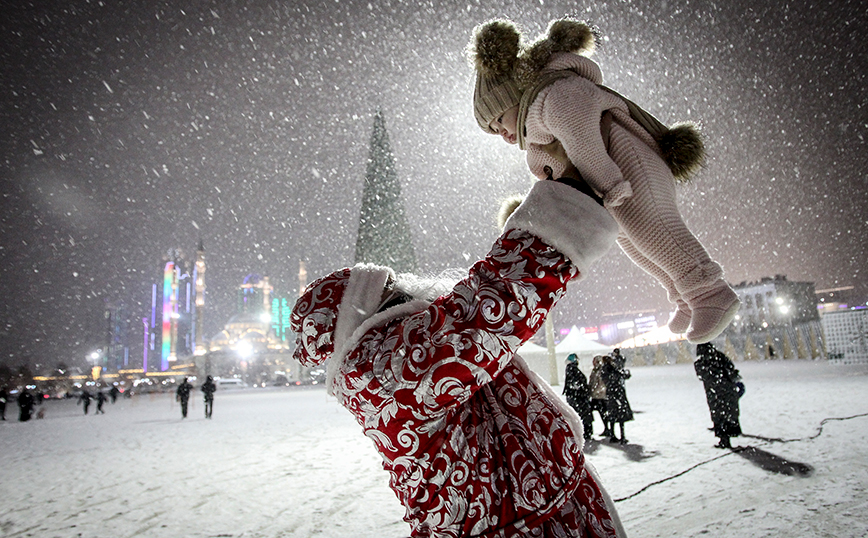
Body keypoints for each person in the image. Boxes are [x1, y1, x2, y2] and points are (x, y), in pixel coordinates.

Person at [290, 177, 626, 536]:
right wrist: (566, 208)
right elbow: (488, 311)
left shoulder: (377, 368)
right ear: (365, 316)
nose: (405, 289)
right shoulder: (385, 369)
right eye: (389, 289)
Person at [468, 17, 740, 344]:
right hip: (613, 185)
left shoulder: (555, 95)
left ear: (513, 97)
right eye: (493, 131)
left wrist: (609, 184)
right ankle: (682, 294)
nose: (502, 134)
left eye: (498, 120)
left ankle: (709, 292)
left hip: (628, 167)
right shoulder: (537, 125)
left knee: (656, 230)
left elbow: (583, 140)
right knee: (639, 246)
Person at [694, 342, 742, 449]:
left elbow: (702, 376)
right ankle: (731, 432)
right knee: (729, 411)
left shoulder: (700, 362)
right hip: (727, 389)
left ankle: (724, 439)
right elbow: (730, 368)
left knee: (718, 414)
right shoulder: (719, 356)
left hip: (713, 392)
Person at [601, 350, 633, 444]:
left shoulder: (605, 370)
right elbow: (621, 375)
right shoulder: (612, 369)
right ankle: (622, 436)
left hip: (611, 394)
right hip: (617, 393)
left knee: (612, 415)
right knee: (620, 416)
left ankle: (612, 434)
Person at [563, 353, 594, 441]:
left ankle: (582, 431)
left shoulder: (569, 369)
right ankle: (585, 432)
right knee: (583, 414)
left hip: (575, 396)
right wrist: (583, 389)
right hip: (578, 397)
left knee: (578, 414)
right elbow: (577, 383)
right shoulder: (573, 369)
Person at [588, 355, 611, 437]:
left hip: (599, 396)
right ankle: (606, 428)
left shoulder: (600, 371)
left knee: (602, 412)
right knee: (601, 412)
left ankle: (607, 429)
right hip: (596, 396)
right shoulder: (595, 370)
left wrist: (593, 391)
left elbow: (600, 383)